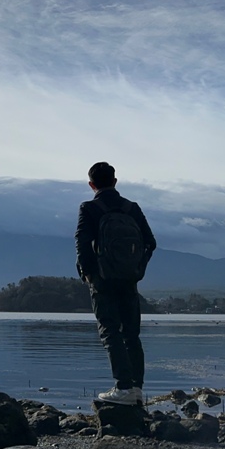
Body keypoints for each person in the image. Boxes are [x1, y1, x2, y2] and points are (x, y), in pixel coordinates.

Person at [75, 161, 156, 405]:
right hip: (129, 280)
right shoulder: (131, 208)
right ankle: (137, 390)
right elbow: (150, 242)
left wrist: (88, 273)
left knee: (110, 332)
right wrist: (137, 268)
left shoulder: (89, 208)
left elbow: (82, 242)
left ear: (92, 185)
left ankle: (123, 388)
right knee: (131, 335)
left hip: (103, 280)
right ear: (115, 181)